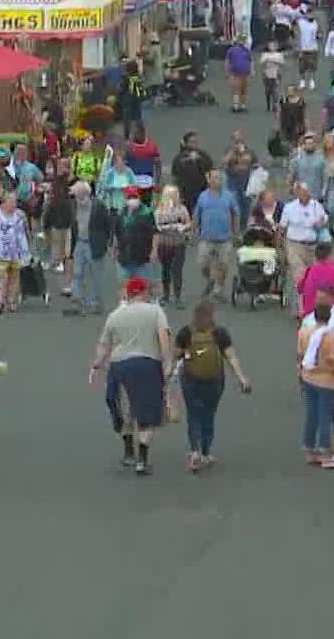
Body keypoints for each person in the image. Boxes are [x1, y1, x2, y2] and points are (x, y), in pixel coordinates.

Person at [91, 277, 171, 476]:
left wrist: (97, 363)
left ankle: (128, 452)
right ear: (144, 292)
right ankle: (142, 459)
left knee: (125, 408)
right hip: (147, 364)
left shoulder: (115, 315)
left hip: (120, 365)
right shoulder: (155, 311)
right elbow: (163, 337)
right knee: (146, 413)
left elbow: (104, 345)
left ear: (128, 293)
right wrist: (167, 362)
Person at [172, 300, 253, 473]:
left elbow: (176, 355)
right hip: (214, 381)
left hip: (191, 379)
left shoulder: (186, 332)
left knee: (194, 414)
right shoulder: (219, 333)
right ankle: (207, 453)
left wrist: (186, 356)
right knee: (209, 415)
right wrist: (241, 378)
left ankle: (195, 452)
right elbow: (232, 358)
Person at [296, 299, 334, 467]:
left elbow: (300, 356)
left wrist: (300, 377)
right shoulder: (332, 339)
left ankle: (309, 450)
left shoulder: (304, 333)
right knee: (325, 416)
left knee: (311, 414)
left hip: (308, 377)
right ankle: (325, 452)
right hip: (326, 381)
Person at [65, 180, 113, 317]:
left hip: (94, 244)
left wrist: (106, 244)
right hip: (79, 243)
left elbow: (108, 225)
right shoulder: (73, 205)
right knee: (77, 273)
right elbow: (72, 224)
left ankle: (94, 303)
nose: (73, 196)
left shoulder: (98, 206)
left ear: (83, 194)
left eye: (75, 193)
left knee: (95, 275)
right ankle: (77, 300)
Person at [279, 181, 329, 309]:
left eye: (305, 192)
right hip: (294, 245)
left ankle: (314, 304)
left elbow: (324, 218)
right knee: (300, 277)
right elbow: (282, 228)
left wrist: (321, 223)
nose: (303, 195)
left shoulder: (316, 206)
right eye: (300, 192)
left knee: (315, 278)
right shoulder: (289, 207)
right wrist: (281, 247)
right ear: (296, 193)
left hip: (313, 247)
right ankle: (303, 309)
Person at [192, 170, 241, 299]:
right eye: (214, 178)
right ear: (208, 180)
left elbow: (235, 214)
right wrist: (193, 231)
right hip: (206, 237)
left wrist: (236, 233)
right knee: (203, 264)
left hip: (225, 238)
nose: (217, 180)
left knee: (223, 265)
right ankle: (210, 280)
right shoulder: (202, 196)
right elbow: (197, 215)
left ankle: (219, 286)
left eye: (219, 178)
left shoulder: (229, 196)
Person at [0, 192, 34, 314]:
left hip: (17, 252)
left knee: (15, 278)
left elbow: (27, 230)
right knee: (0, 277)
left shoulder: (20, 215)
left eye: (15, 202)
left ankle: (12, 300)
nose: (13, 204)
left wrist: (29, 247)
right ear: (3, 204)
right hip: (1, 251)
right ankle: (0, 302)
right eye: (11, 202)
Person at [153, 185, 193, 307]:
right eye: (171, 195)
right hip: (164, 244)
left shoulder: (182, 209)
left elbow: (189, 223)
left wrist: (184, 227)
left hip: (178, 243)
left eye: (175, 194)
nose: (174, 197)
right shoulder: (159, 210)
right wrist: (168, 227)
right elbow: (156, 226)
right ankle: (165, 295)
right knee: (165, 270)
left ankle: (177, 296)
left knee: (177, 270)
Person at [117, 187, 158, 286]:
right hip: (124, 257)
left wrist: (154, 250)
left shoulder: (147, 213)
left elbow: (155, 233)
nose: (132, 199)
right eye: (129, 197)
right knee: (123, 285)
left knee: (144, 286)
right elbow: (118, 232)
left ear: (139, 197)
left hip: (142, 258)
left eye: (134, 196)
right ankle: (124, 301)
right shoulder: (121, 213)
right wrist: (116, 248)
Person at [170, 132, 214, 211]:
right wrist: (178, 193)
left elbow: (211, 168)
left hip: (202, 191)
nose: (195, 144)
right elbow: (175, 177)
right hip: (186, 193)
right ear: (186, 144)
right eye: (192, 142)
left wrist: (200, 159)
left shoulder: (203, 154)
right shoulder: (179, 158)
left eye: (196, 142)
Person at [99, 149, 137, 215]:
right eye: (117, 162)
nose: (119, 164)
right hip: (112, 205)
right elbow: (104, 186)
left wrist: (127, 188)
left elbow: (135, 186)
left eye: (121, 161)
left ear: (125, 162)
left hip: (126, 206)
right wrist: (111, 188)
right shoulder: (110, 172)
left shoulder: (129, 172)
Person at [258, 41, 288, 112]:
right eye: (270, 46)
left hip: (276, 74)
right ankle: (268, 104)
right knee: (268, 91)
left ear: (276, 47)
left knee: (275, 90)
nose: (272, 47)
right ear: (268, 47)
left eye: (273, 46)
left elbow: (283, 63)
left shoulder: (279, 54)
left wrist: (275, 61)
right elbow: (261, 63)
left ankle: (275, 105)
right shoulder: (265, 54)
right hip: (267, 74)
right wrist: (266, 61)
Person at [225, 40, 252, 112]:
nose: (242, 42)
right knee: (236, 90)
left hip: (245, 74)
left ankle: (243, 106)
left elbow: (250, 61)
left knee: (244, 90)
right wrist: (227, 72)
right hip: (235, 74)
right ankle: (235, 106)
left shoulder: (247, 50)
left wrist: (252, 70)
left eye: (243, 40)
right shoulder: (231, 50)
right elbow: (227, 61)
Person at [297, 7, 321, 87]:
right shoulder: (301, 22)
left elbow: (319, 34)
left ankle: (311, 80)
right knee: (302, 67)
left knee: (312, 66)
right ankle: (302, 81)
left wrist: (319, 36)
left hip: (313, 48)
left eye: (312, 14)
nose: (310, 15)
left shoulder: (316, 24)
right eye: (308, 14)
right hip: (303, 48)